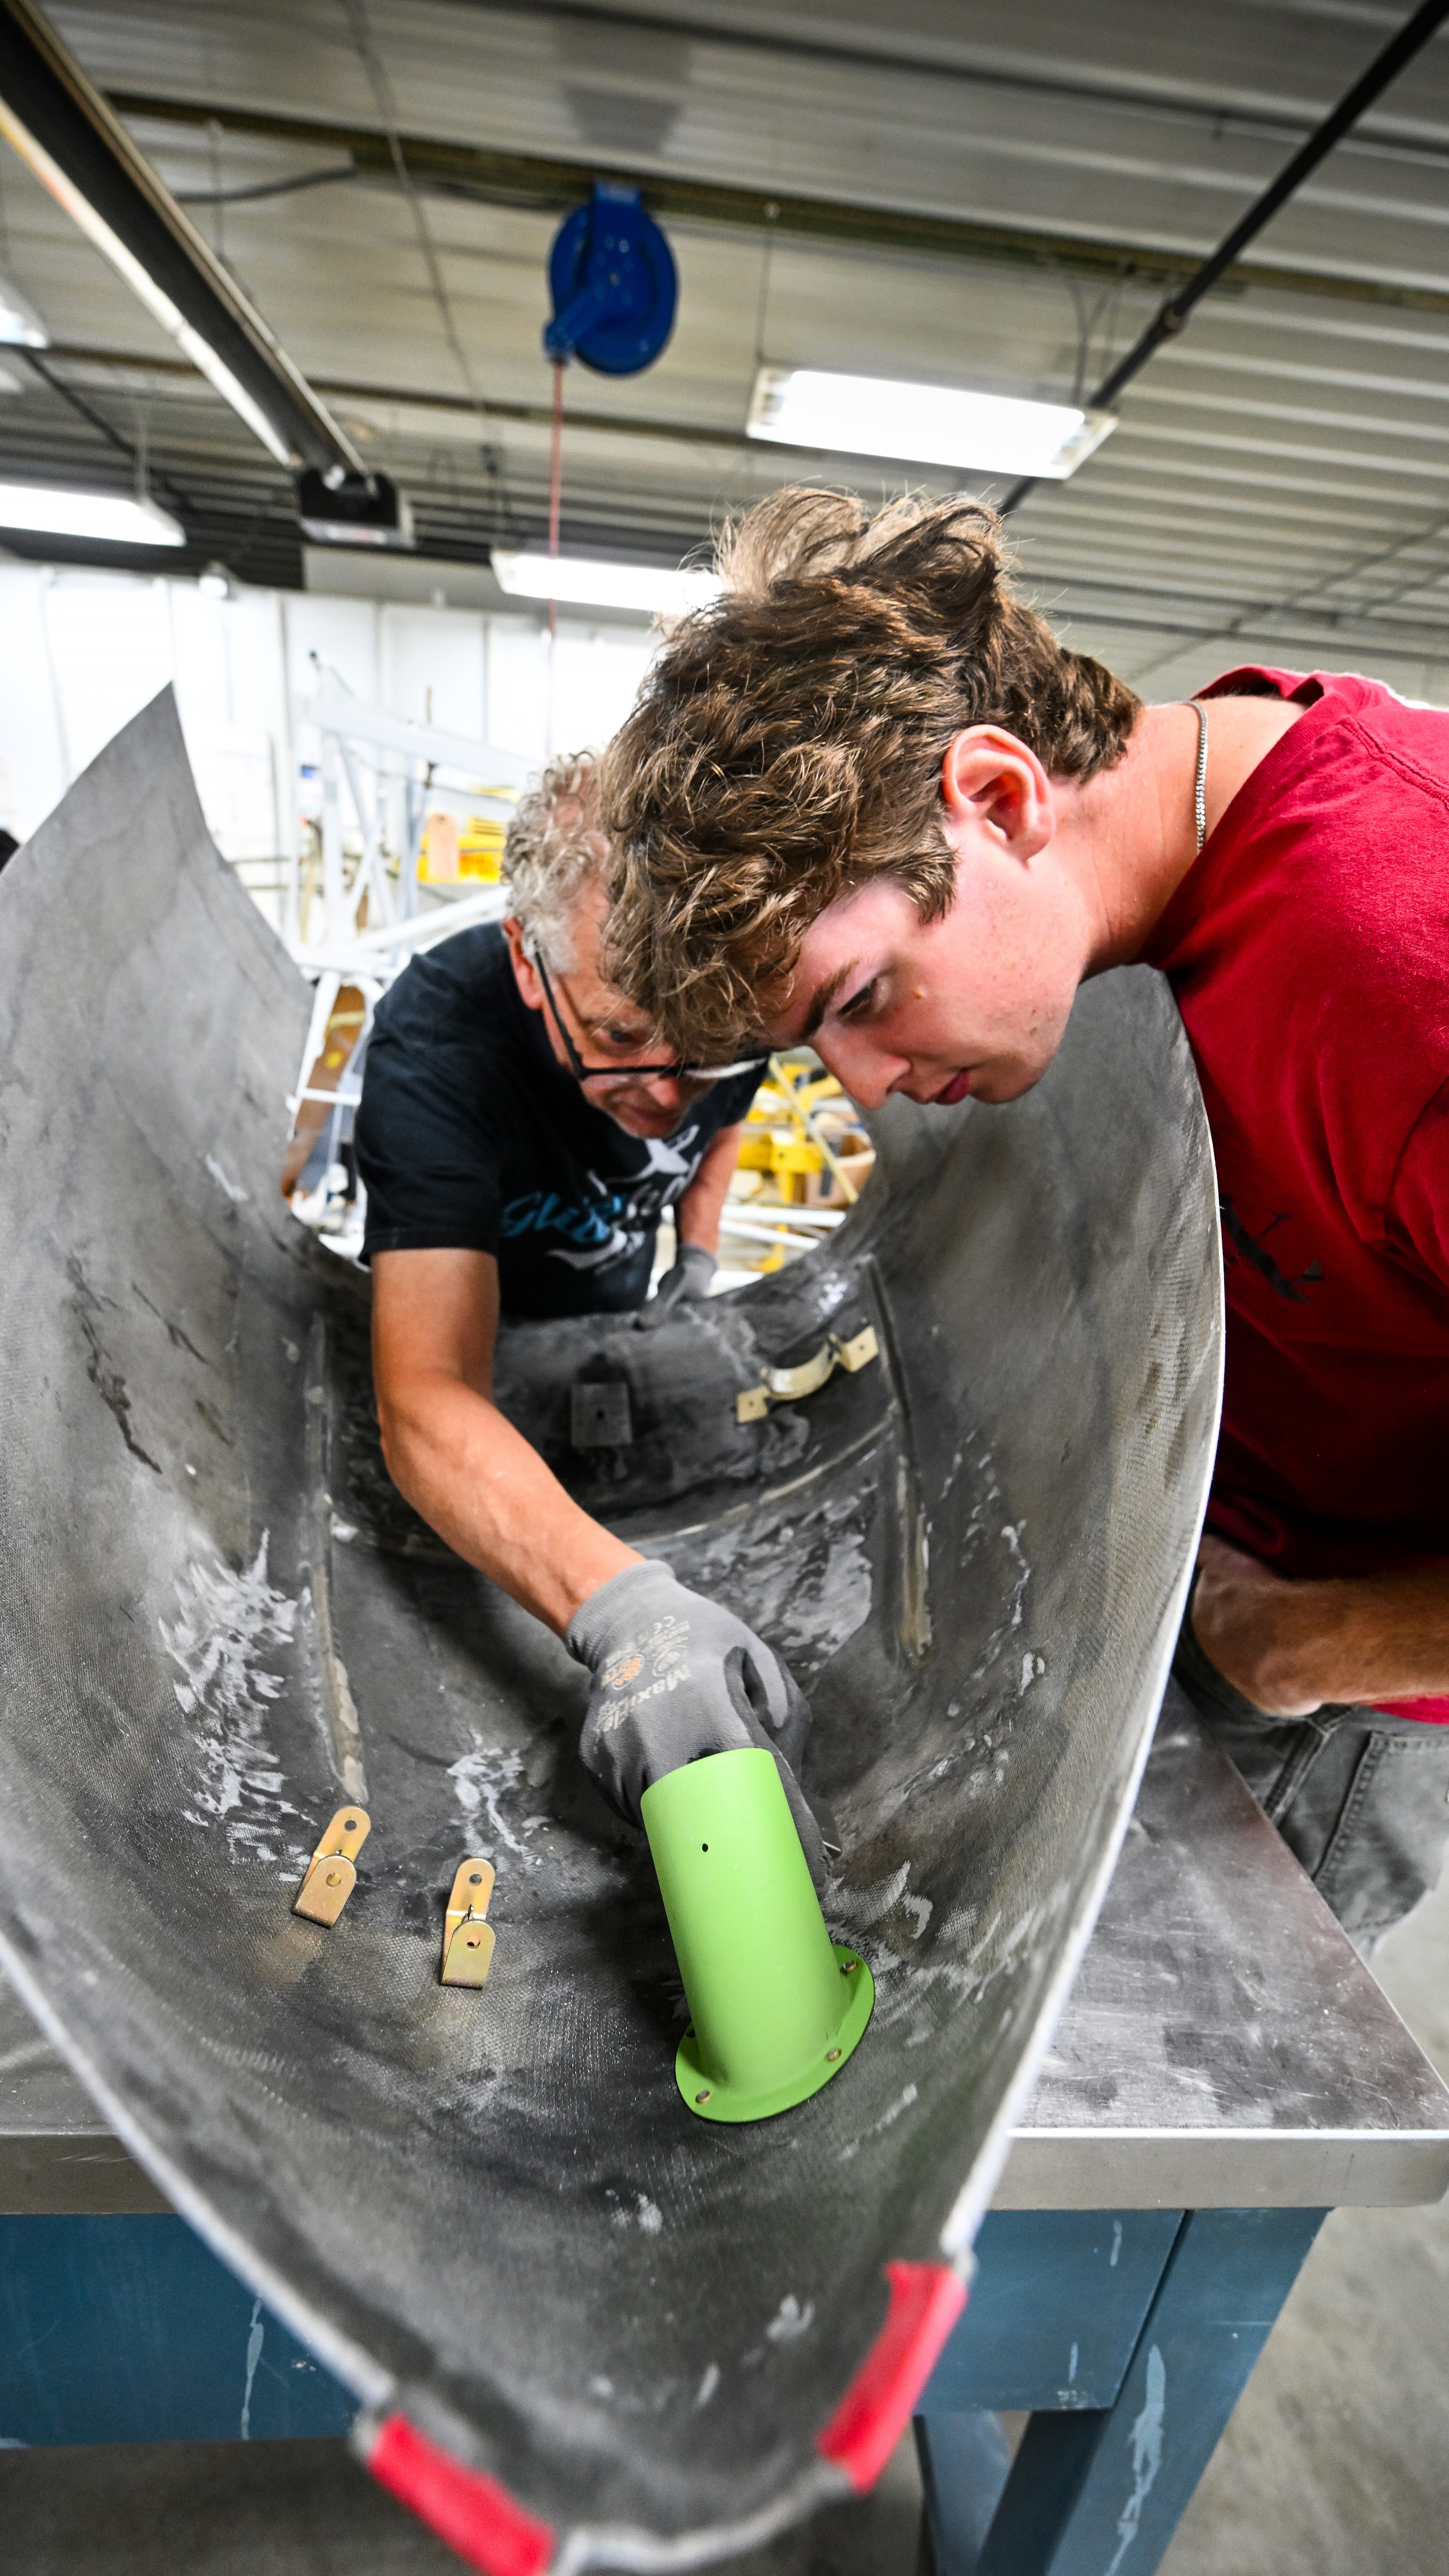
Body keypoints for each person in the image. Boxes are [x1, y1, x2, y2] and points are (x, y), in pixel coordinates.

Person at [601, 486, 1449, 1952]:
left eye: (862, 1001)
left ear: (997, 799)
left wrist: (1306, 1642)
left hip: (1325, 1693)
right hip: (1196, 1578)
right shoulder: (1187, 815)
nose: (872, 1082)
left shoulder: (1402, 957)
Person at [354, 751, 827, 1876]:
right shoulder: (439, 1045)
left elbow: (713, 1127)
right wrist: (627, 1617)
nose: (668, 1086)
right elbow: (424, 1395)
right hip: (493, 1349)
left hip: (612, 1317)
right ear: (531, 961)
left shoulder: (710, 1012)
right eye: (619, 1038)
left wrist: (698, 1253)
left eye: (708, 1046)